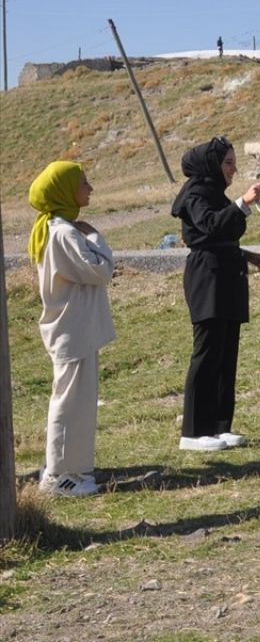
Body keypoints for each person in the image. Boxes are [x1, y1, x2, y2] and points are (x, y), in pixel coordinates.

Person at [171, 136, 260, 451]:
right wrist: (244, 202)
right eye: (228, 162)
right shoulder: (196, 193)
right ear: (212, 164)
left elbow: (222, 237)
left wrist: (246, 255)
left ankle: (218, 427)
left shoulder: (216, 193)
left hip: (227, 277)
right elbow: (210, 227)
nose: (233, 168)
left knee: (226, 356)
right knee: (207, 355)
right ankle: (193, 432)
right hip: (207, 280)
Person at [28, 161, 114, 497]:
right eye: (83, 182)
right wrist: (94, 235)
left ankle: (74, 470)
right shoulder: (64, 232)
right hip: (71, 330)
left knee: (78, 402)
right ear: (64, 190)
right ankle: (60, 476)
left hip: (75, 328)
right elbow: (100, 270)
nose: (90, 188)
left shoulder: (57, 228)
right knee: (69, 404)